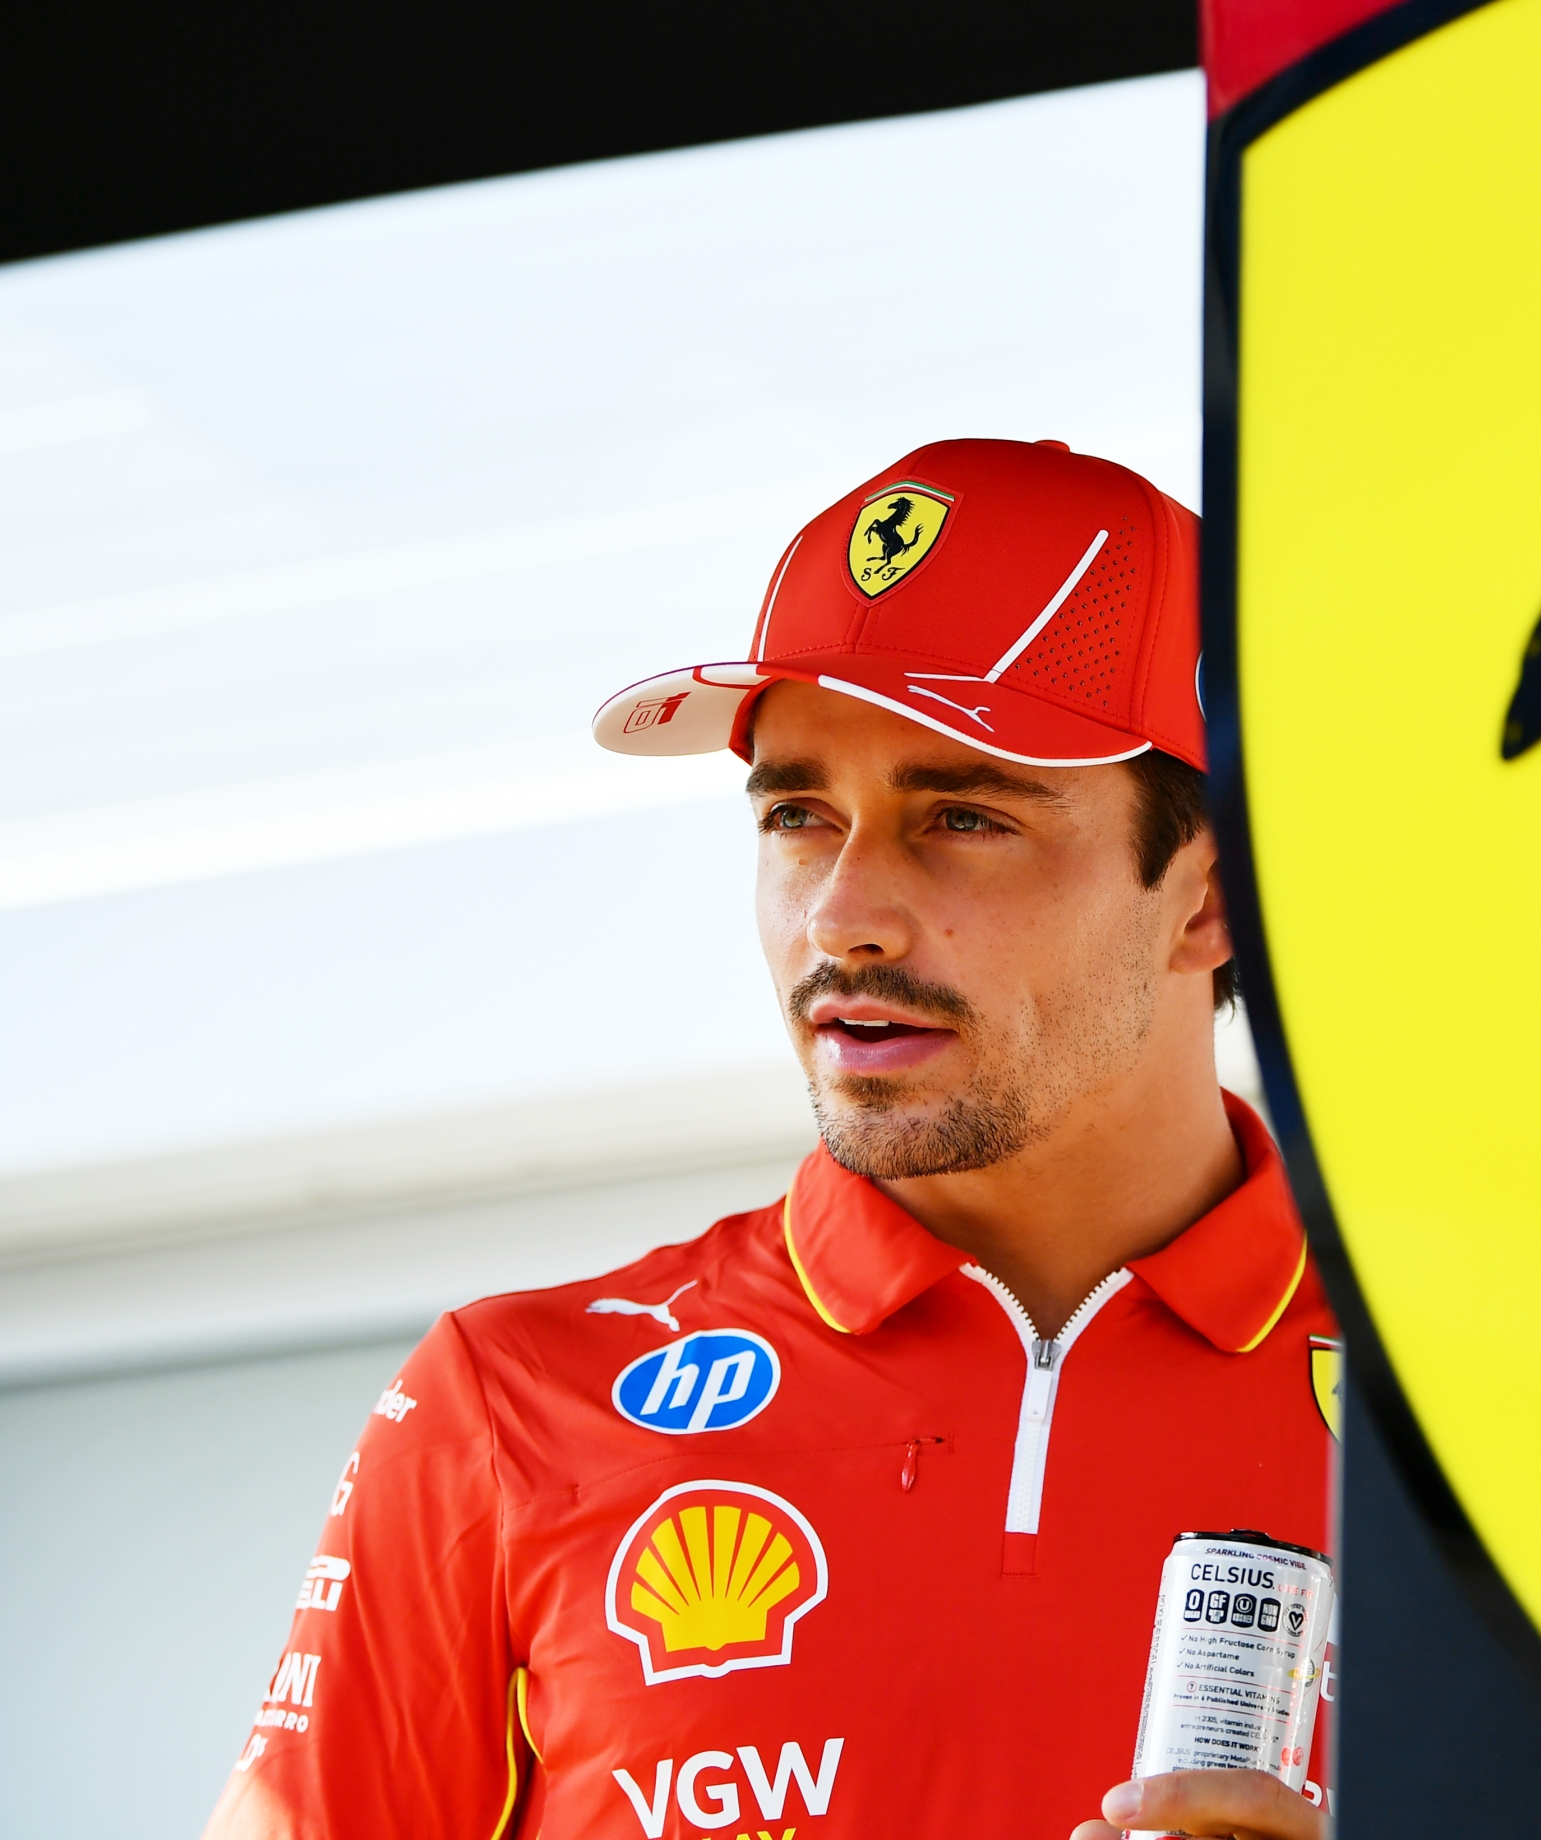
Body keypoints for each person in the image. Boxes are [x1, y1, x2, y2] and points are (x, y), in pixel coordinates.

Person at [203, 440, 1337, 1840]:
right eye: (799, 815)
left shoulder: (1486, 1418)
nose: (842, 914)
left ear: (1212, 895)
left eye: (964, 817)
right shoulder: (503, 1404)